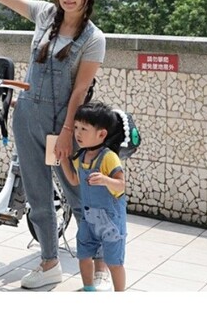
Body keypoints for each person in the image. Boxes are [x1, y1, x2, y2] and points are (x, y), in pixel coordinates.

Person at [0, 0, 109, 290]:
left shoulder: (94, 38)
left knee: (77, 193)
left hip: (61, 123)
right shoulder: (45, 14)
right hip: (26, 115)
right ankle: (49, 262)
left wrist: (69, 131)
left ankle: (100, 262)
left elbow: (80, 91)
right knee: (38, 197)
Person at [59, 101, 127, 291]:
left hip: (111, 220)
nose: (78, 134)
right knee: (83, 255)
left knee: (114, 261)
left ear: (102, 134)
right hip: (89, 219)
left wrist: (106, 180)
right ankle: (88, 289)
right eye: (76, 128)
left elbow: (121, 185)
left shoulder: (108, 157)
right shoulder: (82, 157)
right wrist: (63, 160)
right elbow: (74, 179)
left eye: (84, 129)